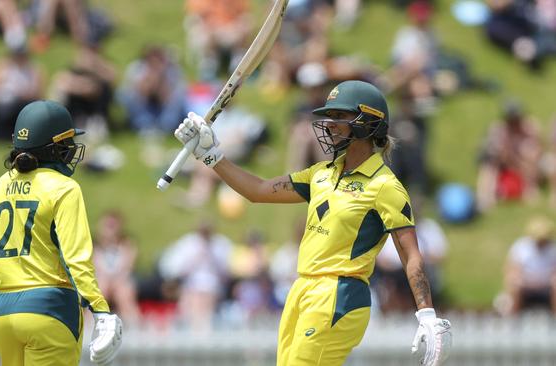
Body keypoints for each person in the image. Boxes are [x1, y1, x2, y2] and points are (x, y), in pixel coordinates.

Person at [174, 80, 452, 365]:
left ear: (368, 122)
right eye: (330, 116)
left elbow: (411, 254)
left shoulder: (385, 186)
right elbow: (257, 190)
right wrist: (211, 155)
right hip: (302, 289)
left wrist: (426, 314)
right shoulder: (320, 174)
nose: (330, 124)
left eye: (341, 117)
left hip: (339, 295)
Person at [0, 101, 123, 366]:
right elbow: (75, 259)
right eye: (66, 143)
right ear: (53, 147)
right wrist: (100, 310)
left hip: (4, 317)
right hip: (50, 310)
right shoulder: (64, 188)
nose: (71, 150)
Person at [497, 215, 556, 315]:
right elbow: (511, 270)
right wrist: (519, 280)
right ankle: (513, 318)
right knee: (514, 283)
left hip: (546, 286)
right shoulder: (521, 247)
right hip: (526, 285)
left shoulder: (553, 249)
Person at [93, 210, 142, 326]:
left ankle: (134, 325)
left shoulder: (127, 244)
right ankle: (91, 324)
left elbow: (128, 267)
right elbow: (95, 268)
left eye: (112, 226)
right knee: (100, 289)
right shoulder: (94, 246)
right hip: (102, 280)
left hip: (121, 280)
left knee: (123, 292)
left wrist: (115, 281)